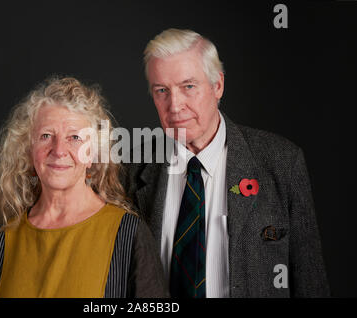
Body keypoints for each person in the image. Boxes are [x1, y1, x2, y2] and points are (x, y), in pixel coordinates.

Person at [122, 28, 330, 297]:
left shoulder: (282, 162)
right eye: (162, 90)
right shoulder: (129, 170)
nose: (174, 105)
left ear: (217, 85)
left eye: (188, 86)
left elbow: (310, 280)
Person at [0, 77, 168, 298]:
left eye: (75, 138)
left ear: (93, 155)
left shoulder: (128, 234)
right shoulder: (0, 242)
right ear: (28, 149)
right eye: (46, 136)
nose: (59, 150)